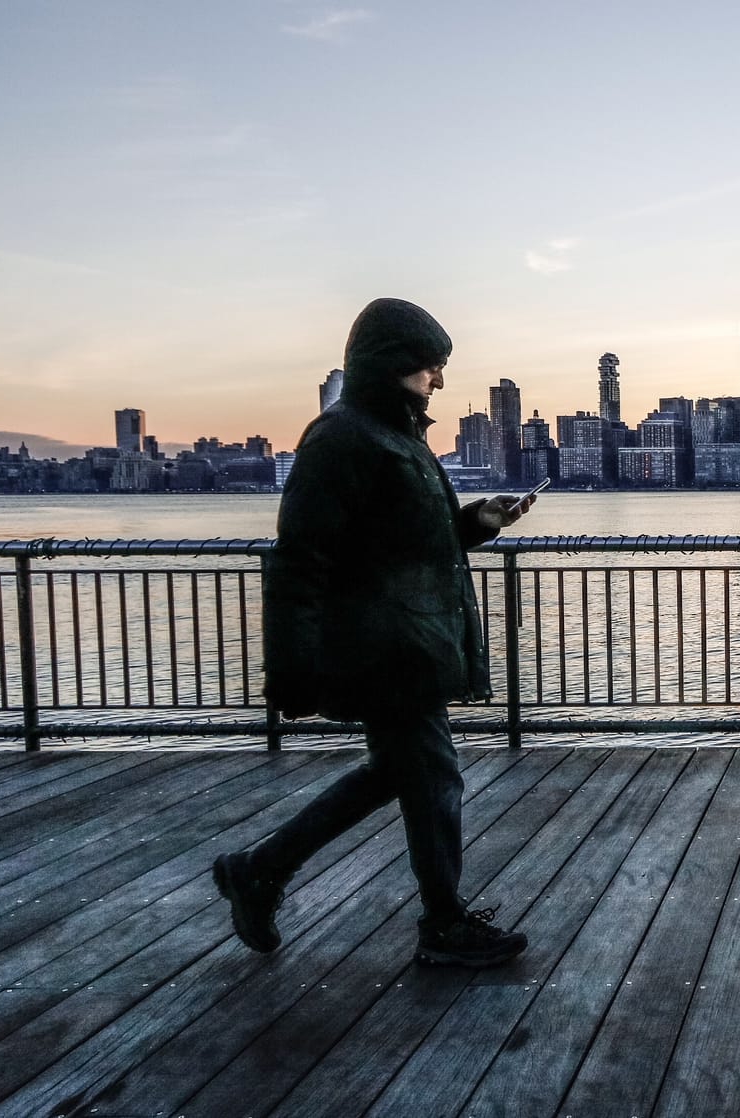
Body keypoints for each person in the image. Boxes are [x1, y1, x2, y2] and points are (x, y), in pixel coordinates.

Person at [213, 297, 532, 968]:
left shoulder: (400, 438)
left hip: (409, 642)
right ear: (393, 366)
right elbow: (301, 558)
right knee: (436, 775)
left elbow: (414, 541)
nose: (438, 380)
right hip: (383, 650)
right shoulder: (341, 438)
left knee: (398, 772)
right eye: (429, 367)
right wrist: (293, 666)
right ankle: (443, 925)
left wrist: (479, 521)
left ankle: (259, 869)